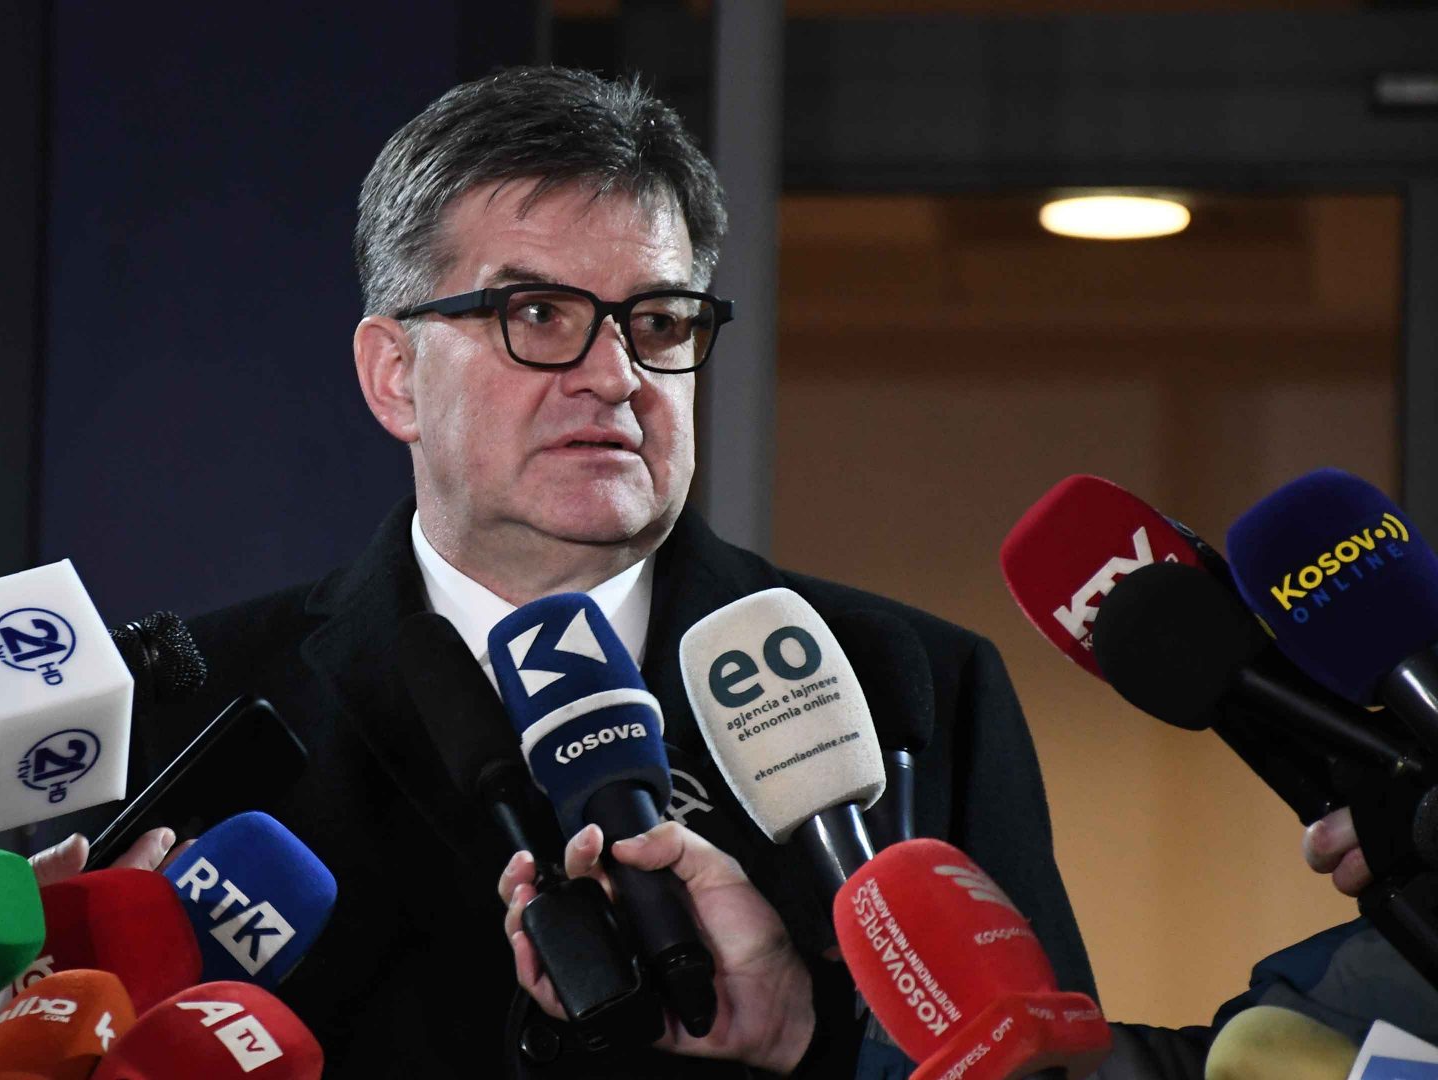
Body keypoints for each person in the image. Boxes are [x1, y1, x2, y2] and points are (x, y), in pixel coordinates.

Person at [142, 66, 1094, 1077]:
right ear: (395, 377)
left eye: (659, 321)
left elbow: (1046, 1063)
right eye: (539, 314)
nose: (616, 377)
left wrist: (805, 1037)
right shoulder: (191, 707)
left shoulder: (910, 687)